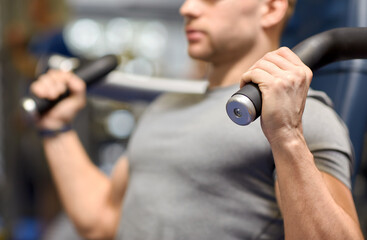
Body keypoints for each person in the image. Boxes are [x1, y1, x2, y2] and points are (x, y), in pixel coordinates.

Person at [30, 0, 364, 239]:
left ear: (271, 8)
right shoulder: (165, 106)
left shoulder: (302, 116)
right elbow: (101, 221)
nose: (187, 8)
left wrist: (287, 134)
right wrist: (57, 128)